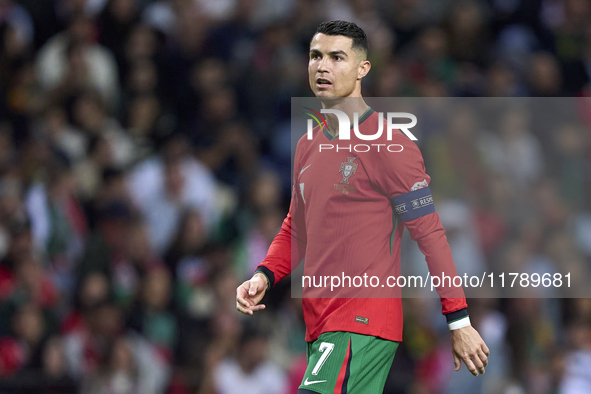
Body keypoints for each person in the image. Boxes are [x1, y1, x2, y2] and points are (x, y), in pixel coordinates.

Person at [236, 20, 490, 393]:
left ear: (362, 69)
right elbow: (297, 229)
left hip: (361, 320)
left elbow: (430, 234)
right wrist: (265, 275)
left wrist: (458, 321)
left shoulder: (390, 144)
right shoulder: (308, 145)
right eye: (316, 56)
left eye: (337, 57)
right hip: (320, 322)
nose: (322, 66)